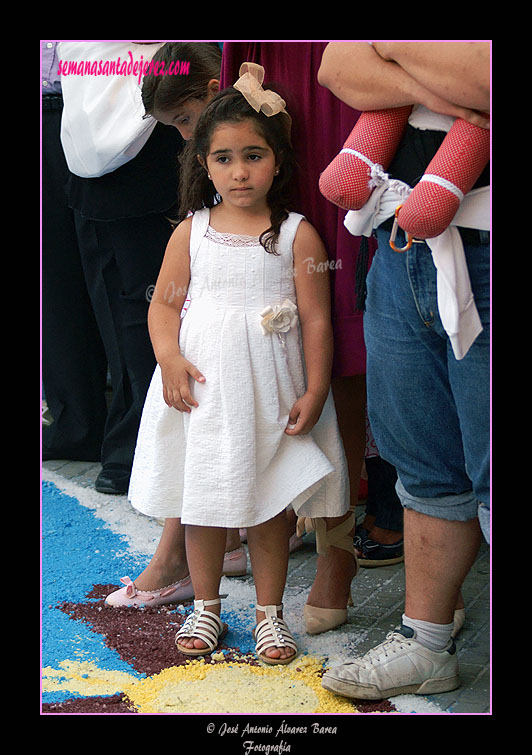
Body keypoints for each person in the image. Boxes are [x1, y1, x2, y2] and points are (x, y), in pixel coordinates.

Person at [127, 71, 352, 663]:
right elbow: (164, 306)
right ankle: (207, 607)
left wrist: (318, 386)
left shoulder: (297, 235)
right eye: (223, 158)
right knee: (201, 496)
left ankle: (269, 615)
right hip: (202, 389)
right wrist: (170, 358)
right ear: (204, 163)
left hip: (272, 390)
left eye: (253, 156)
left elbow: (316, 322)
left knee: (269, 502)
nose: (239, 171)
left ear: (277, 161)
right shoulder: (192, 233)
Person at [317, 41, 489, 700]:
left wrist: (394, 53)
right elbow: (339, 68)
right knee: (422, 459)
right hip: (403, 240)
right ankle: (426, 641)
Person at [220, 41, 369, 634]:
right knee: (278, 327)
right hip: (284, 88)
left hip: (358, 102)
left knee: (350, 336)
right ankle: (288, 526)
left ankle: (342, 549)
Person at [104, 43, 247, 608]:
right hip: (212, 323)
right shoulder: (206, 174)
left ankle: (186, 555)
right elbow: (166, 297)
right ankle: (198, 547)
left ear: (214, 90)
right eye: (178, 127)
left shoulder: (238, 157)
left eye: (186, 120)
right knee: (195, 419)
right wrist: (168, 349)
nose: (185, 136)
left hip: (253, 322)